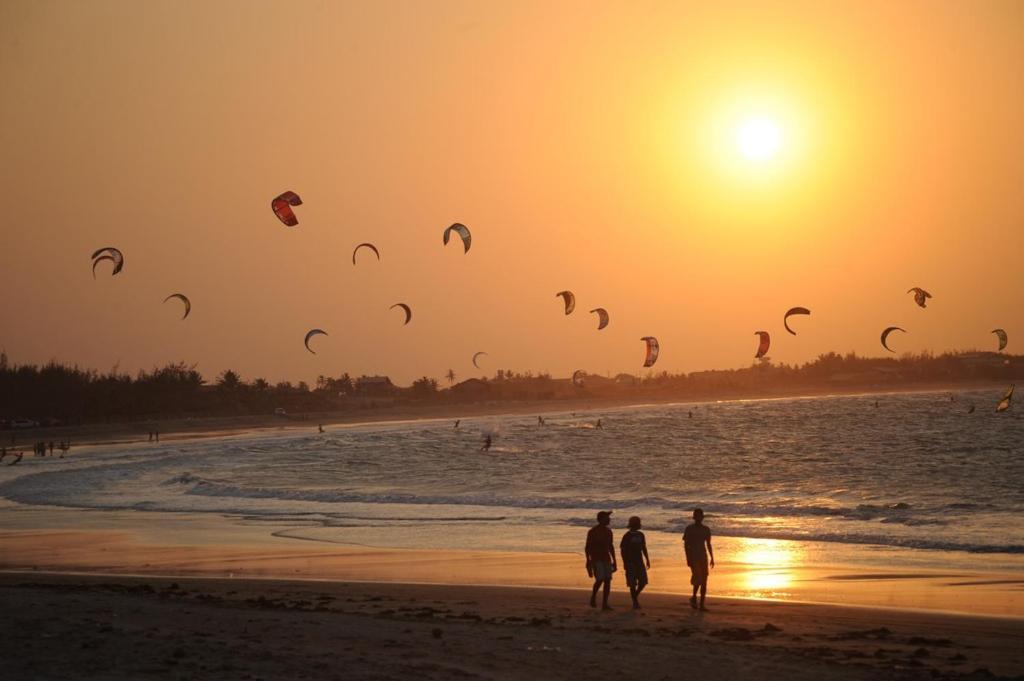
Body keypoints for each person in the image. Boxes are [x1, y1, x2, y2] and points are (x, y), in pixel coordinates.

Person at [683, 508, 714, 611]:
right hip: (693, 557)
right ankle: (694, 597)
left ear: (702, 517)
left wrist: (712, 558)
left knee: (704, 580)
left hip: (703, 556)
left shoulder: (706, 529)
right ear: (694, 517)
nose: (698, 518)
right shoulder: (689, 529)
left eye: (700, 516)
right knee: (698, 579)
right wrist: (688, 558)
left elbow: (708, 544)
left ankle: (701, 604)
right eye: (696, 516)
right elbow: (686, 545)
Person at [585, 510, 617, 610]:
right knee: (600, 579)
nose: (609, 519)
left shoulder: (609, 531)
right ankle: (593, 597)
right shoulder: (592, 531)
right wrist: (588, 561)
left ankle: (605, 604)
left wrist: (614, 560)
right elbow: (587, 547)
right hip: (596, 558)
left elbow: (611, 546)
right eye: (607, 518)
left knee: (608, 580)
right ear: (601, 519)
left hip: (606, 558)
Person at [620, 516, 650, 609]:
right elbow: (623, 550)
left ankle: (635, 597)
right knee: (632, 583)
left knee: (643, 582)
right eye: (638, 523)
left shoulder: (641, 535)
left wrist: (647, 559)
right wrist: (625, 562)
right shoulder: (627, 536)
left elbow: (644, 547)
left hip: (639, 561)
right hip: (630, 562)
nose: (639, 524)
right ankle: (635, 602)